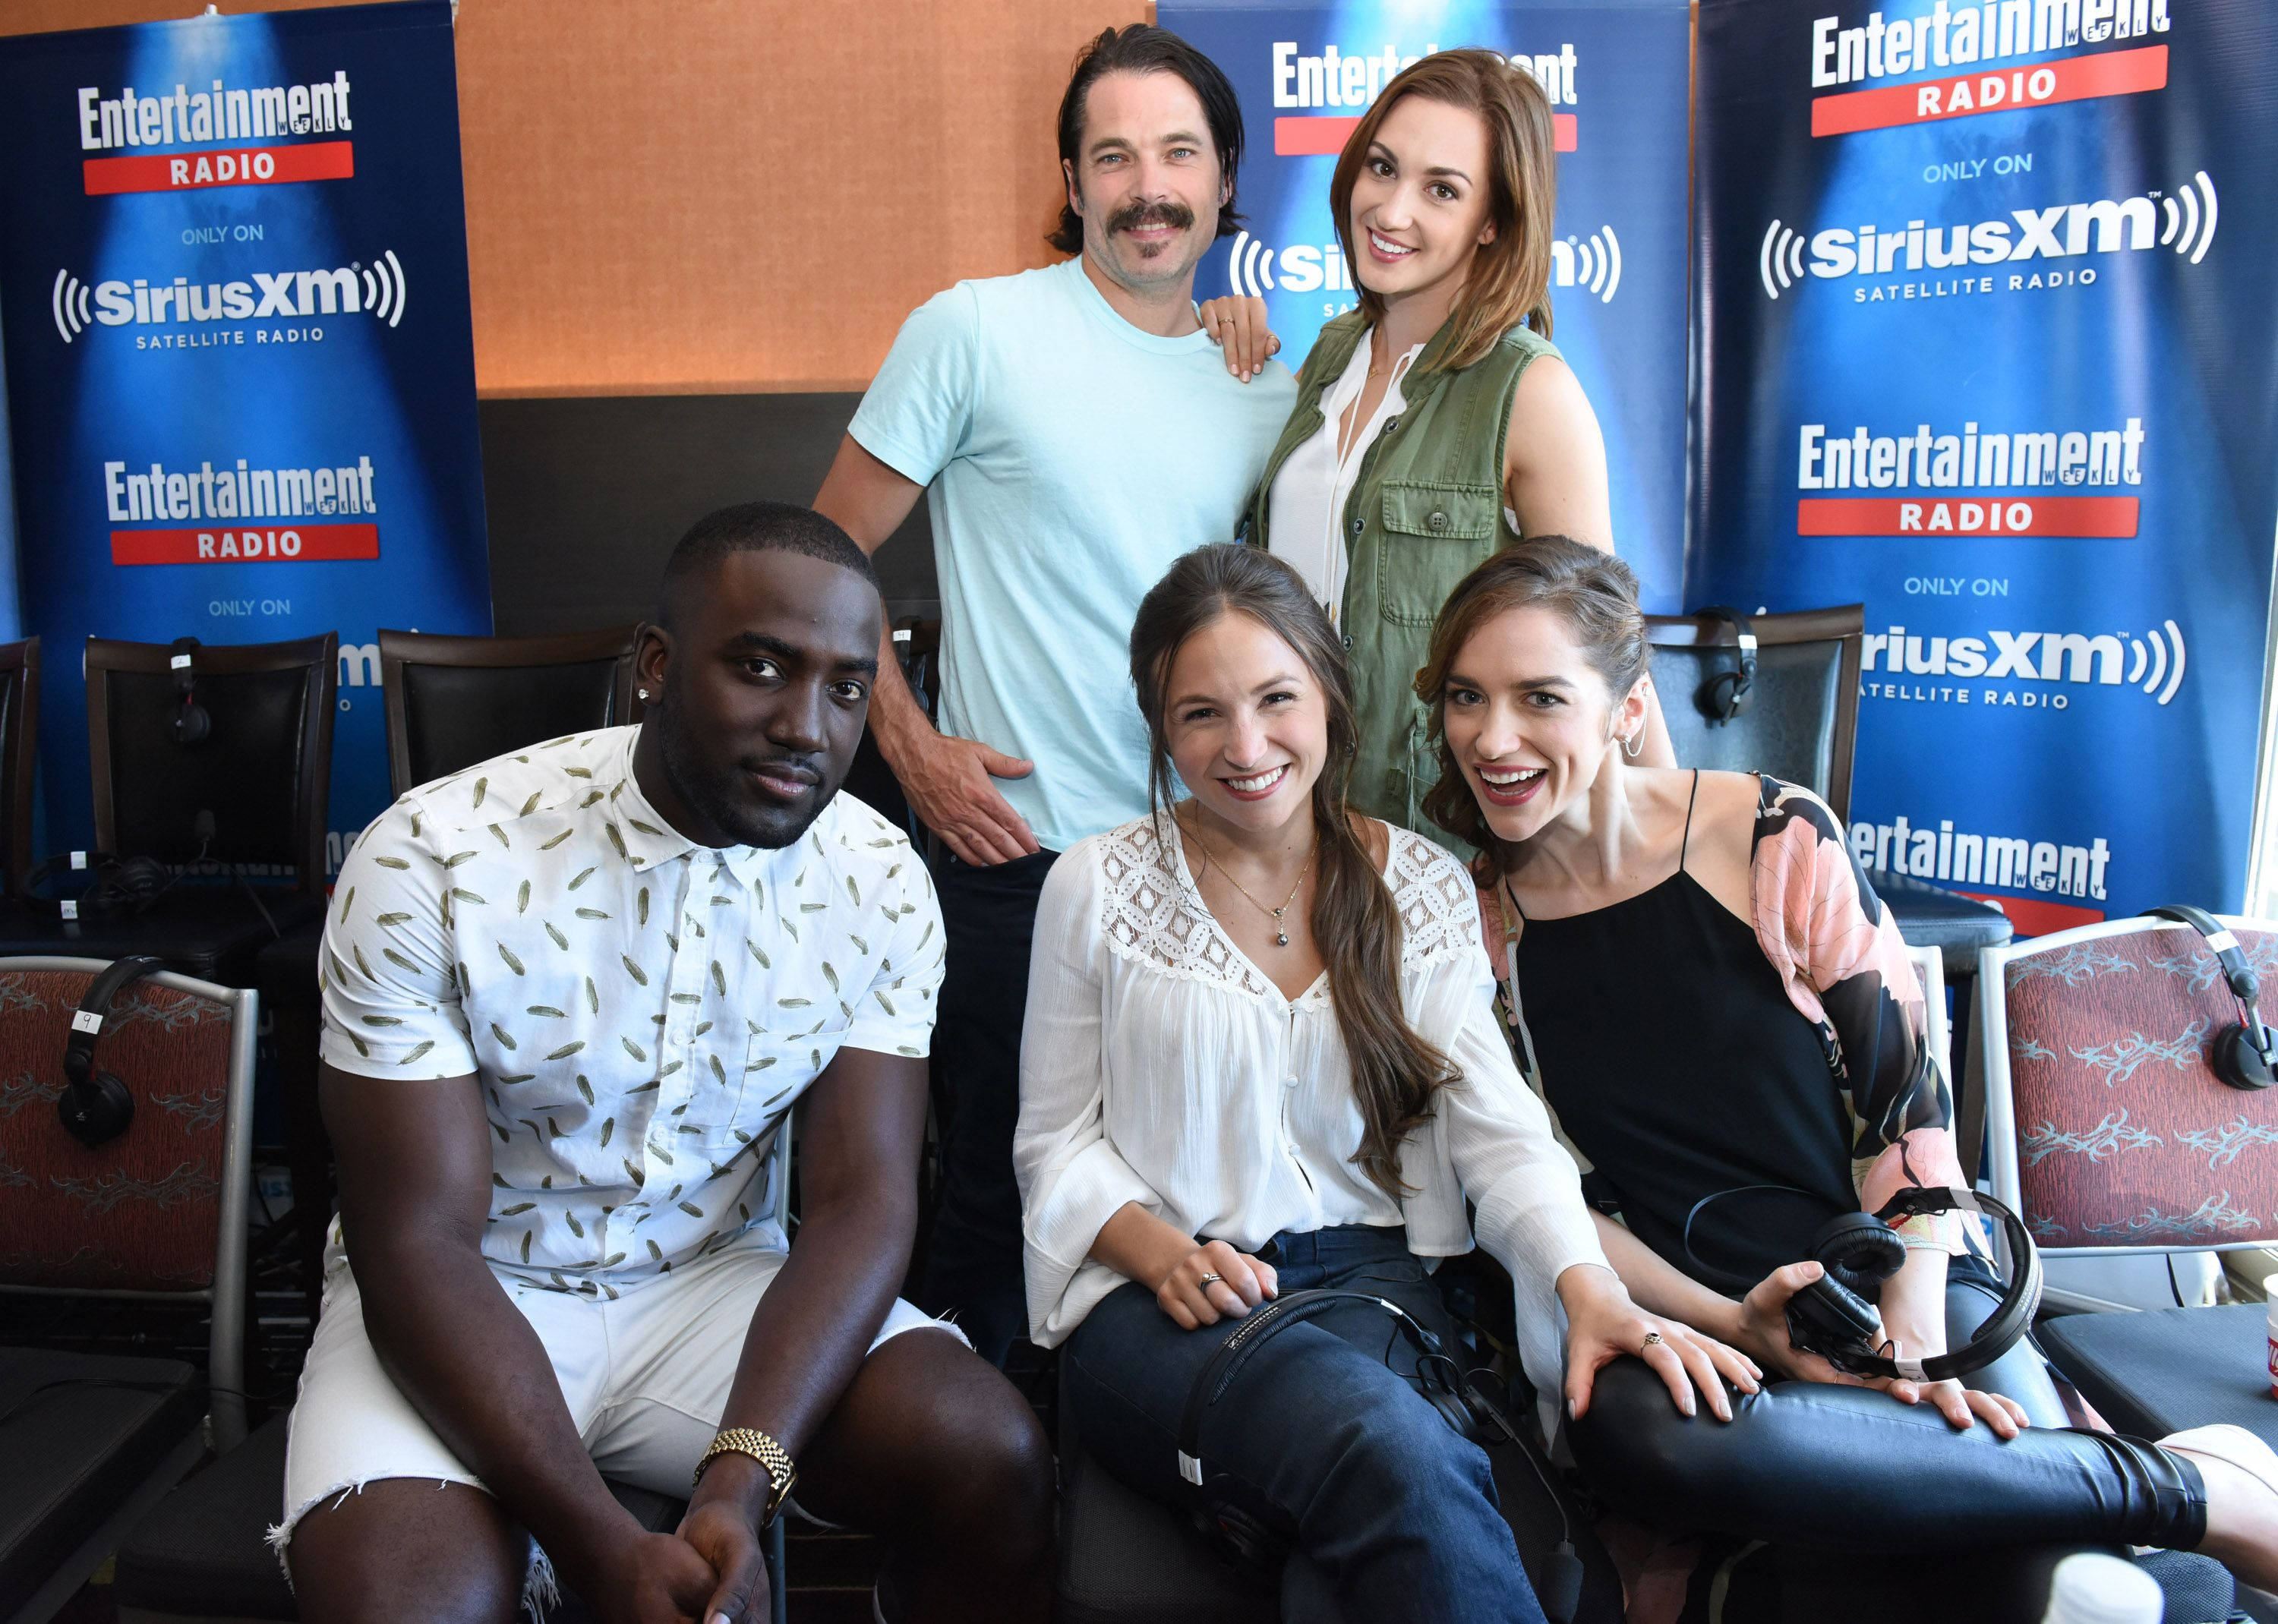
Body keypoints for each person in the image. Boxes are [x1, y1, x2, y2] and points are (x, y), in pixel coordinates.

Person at [1415, 534, 2278, 1594]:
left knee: (2014, 1526)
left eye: (1540, 697)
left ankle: (2175, 1503)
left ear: (1628, 707)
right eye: (1466, 697)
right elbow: (1541, 1187)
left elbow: (1909, 1115)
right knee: (1652, 1444)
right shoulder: (1474, 920)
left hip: (1896, 1262)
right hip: (1686, 1304)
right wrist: (1731, 1323)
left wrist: (1903, 1332)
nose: (1492, 736)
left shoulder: (1774, 834)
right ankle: (2186, 1490)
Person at [276, 503, 1054, 1624]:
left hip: (710, 1284)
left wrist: (737, 1483)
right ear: (655, 664)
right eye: (760, 667)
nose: (806, 726)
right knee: (413, 1606)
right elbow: (415, 1237)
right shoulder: (437, 856)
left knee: (989, 1453)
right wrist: (600, 1544)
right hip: (466, 1285)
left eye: (846, 688)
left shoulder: (880, 879)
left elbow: (863, 1204)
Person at [1016, 544, 1755, 1622]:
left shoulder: (1421, 884)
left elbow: (1500, 1132)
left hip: (1377, 1295)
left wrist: (1587, 1285)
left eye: (1277, 698)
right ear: (1159, 728)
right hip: (1158, 1309)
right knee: (1384, 1446)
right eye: (1201, 714)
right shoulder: (1095, 885)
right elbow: (1052, 1144)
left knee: (1346, 1578)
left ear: (1330, 690)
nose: (1246, 746)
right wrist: (1159, 1251)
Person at [812, 25, 1298, 1364]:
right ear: (1073, 181)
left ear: (1224, 179)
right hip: (1011, 856)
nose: (1149, 187)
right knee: (991, 1192)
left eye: (1179, 154)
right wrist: (909, 746)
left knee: (1178, 1201)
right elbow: (821, 559)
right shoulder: (976, 330)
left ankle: (1128, 1454)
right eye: (1115, 156)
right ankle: (969, 1464)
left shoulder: (1267, 385)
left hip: (1200, 869)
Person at [1197, 49, 1672, 836]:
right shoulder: (1326, 358)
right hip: (1294, 827)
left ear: (1493, 221)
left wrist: (1670, 846)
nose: (1391, 211)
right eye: (1382, 168)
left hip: (1446, 844)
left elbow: (1605, 656)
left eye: (1441, 189)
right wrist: (1209, 333)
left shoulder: (1531, 391)